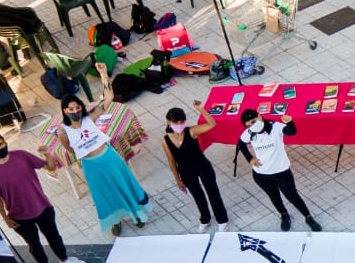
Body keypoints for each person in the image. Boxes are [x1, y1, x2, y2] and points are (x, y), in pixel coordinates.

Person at [45, 64, 151, 236]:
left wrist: (103, 74)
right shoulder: (63, 131)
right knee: (104, 194)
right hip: (91, 166)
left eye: (77, 107)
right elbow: (70, 150)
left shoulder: (90, 118)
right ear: (65, 111)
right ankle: (115, 221)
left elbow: (108, 97)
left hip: (109, 157)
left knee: (124, 184)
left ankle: (136, 215)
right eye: (70, 109)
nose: (75, 111)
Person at [0, 132, 87, 263]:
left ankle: (64, 260)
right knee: (34, 245)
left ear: (5, 143)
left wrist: (47, 154)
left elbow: (50, 167)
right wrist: (5, 218)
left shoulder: (21, 155)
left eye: (1, 144)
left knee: (54, 236)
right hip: (17, 216)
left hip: (42, 206)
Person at [238, 109, 322, 232]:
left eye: (254, 121)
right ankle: (284, 215)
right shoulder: (249, 132)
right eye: (249, 124)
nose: (252, 125)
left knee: (292, 196)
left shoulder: (275, 126)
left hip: (281, 172)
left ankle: (308, 217)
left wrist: (290, 122)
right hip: (261, 174)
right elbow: (241, 143)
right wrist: (250, 158)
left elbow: (291, 131)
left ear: (260, 116)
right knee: (274, 197)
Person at [163, 101, 229, 231]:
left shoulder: (192, 131)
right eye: (175, 122)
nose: (179, 125)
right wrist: (178, 179)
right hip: (186, 172)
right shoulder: (166, 140)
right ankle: (205, 218)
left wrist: (201, 110)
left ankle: (222, 219)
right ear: (168, 122)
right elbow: (171, 161)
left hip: (202, 166)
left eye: (181, 122)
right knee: (197, 196)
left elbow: (212, 124)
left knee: (213, 193)